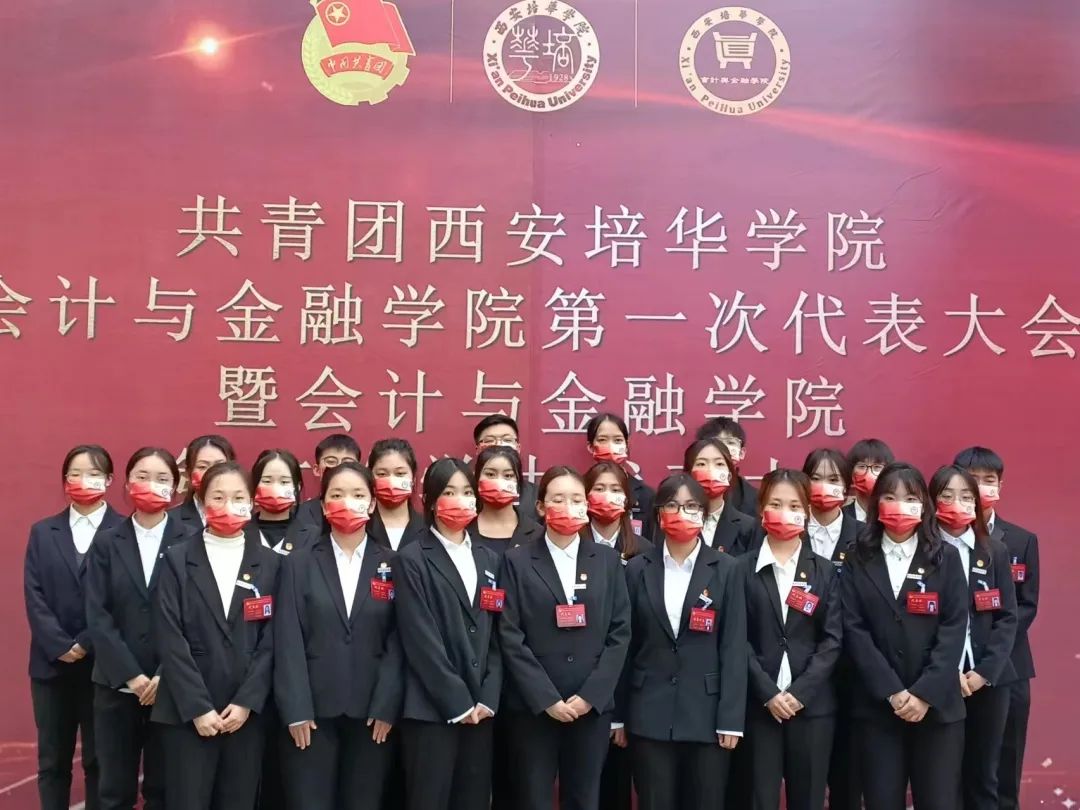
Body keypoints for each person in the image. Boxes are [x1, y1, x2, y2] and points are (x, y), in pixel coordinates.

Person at [498, 466, 631, 810]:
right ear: (541, 507)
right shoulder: (516, 561)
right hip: (534, 709)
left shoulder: (607, 560)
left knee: (584, 798)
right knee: (532, 799)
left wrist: (590, 696)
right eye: (558, 499)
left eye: (576, 499)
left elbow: (620, 632)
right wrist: (545, 699)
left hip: (590, 709)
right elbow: (509, 634)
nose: (568, 507)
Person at [274, 462, 403, 810]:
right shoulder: (298, 564)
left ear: (372, 503)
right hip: (312, 714)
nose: (348, 502)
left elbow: (400, 641)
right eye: (337, 494)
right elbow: (288, 640)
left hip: (372, 714)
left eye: (358, 495)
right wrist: (296, 709)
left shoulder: (394, 563)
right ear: (323, 504)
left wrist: (386, 705)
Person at [153, 462, 280, 810]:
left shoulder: (271, 564)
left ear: (252, 501)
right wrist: (198, 707)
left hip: (245, 715)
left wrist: (247, 702)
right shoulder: (177, 559)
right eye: (218, 497)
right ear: (201, 500)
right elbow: (169, 636)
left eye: (238, 497)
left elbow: (273, 640)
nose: (228, 505)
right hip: (187, 713)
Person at [840, 462, 967, 810]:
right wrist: (893, 692)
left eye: (910, 498)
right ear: (876, 503)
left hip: (937, 708)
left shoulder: (946, 557)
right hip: (878, 708)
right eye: (890, 497)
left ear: (924, 505)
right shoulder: (857, 556)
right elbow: (853, 628)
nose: (900, 506)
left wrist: (924, 693)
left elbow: (954, 627)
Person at [622, 472, 746, 810]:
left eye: (692, 506)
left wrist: (731, 719)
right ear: (659, 513)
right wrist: (619, 715)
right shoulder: (636, 569)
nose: (682, 513)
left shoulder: (727, 569)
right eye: (672, 505)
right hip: (648, 710)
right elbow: (626, 646)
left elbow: (734, 647)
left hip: (707, 714)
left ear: (704, 515)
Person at [86, 447, 194, 810]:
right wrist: (132, 676)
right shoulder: (106, 541)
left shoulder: (191, 540)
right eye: (142, 477)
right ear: (128, 483)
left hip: (173, 686)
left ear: (176, 487)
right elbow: (98, 615)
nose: (151, 485)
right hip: (117, 685)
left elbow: (195, 615)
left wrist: (165, 673)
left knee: (164, 791)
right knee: (114, 791)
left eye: (162, 478)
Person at [394, 459, 501, 810]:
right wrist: (458, 701)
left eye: (467, 492)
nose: (460, 500)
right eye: (450, 492)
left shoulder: (489, 558)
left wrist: (488, 696)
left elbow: (497, 634)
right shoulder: (411, 558)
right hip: (432, 709)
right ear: (430, 499)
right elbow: (420, 638)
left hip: (481, 711)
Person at [24, 444, 124, 810]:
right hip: (51, 667)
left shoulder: (123, 531)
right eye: (75, 474)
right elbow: (34, 594)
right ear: (65, 480)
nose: (84, 480)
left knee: (100, 761)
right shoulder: (42, 531)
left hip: (103, 666)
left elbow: (121, 599)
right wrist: (60, 645)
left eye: (94, 474)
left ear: (109, 480)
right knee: (53, 762)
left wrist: (85, 642)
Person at [743, 469, 842, 810]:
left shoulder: (824, 571)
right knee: (759, 799)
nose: (784, 512)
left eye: (794, 505)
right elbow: (736, 640)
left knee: (809, 799)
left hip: (813, 708)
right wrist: (768, 693)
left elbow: (832, 640)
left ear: (807, 512)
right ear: (761, 508)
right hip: (759, 707)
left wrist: (800, 693)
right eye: (775, 504)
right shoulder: (740, 569)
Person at [953, 446, 1039, 810]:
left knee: (1002, 771)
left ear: (1000, 485)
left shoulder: (1020, 540)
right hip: (952, 672)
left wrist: (988, 657)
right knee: (954, 771)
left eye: (988, 480)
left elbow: (1026, 606)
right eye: (971, 480)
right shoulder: (936, 539)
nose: (979, 487)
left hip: (1008, 670)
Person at [929, 465, 1018, 810]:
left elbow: (1007, 617)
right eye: (947, 495)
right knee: (941, 780)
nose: (958, 503)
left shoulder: (993, 550)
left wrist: (983, 673)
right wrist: (944, 672)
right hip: (939, 682)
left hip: (988, 682)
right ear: (932, 501)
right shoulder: (924, 551)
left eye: (966, 497)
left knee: (984, 777)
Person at [802, 447, 863, 810]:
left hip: (853, 670)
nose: (823, 486)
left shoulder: (866, 536)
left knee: (848, 776)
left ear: (848, 487)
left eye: (833, 479)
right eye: (815, 478)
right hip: (801, 670)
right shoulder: (786, 530)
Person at [582, 461, 643, 810]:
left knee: (618, 788)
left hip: (625, 688)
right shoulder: (569, 546)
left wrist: (620, 712)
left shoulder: (644, 553)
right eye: (599, 488)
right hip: (577, 689)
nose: (607, 496)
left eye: (616, 490)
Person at [583, 413, 656, 537]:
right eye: (602, 440)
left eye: (617, 440)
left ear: (626, 446)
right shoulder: (578, 489)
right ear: (590, 447)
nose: (611, 446)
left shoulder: (646, 495)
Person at [683, 437, 756, 556]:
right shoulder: (675, 521)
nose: (710, 470)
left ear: (729, 476)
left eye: (719, 464)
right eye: (701, 464)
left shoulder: (748, 527)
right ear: (688, 474)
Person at [472, 445, 543, 558]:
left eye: (508, 475)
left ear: (518, 482)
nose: (499, 482)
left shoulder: (538, 534)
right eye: (490, 474)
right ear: (477, 479)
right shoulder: (462, 531)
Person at [474, 415, 539, 520]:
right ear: (477, 450)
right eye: (489, 440)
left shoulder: (536, 495)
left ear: (518, 448)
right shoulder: (466, 493)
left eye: (507, 440)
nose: (499, 445)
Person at [367, 438, 427, 551]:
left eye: (400, 473)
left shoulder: (429, 528)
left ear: (413, 479)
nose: (391, 481)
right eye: (382, 474)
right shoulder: (361, 527)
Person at [293, 434, 362, 530]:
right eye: (331, 462)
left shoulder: (367, 511)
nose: (339, 468)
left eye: (347, 462)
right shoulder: (298, 514)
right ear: (316, 469)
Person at [169, 435, 236, 533]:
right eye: (202, 467)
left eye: (219, 465)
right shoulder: (171, 521)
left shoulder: (245, 517)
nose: (211, 473)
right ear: (189, 472)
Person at [694, 417, 757, 515]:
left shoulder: (755, 498)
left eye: (730, 442)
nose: (723, 447)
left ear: (741, 453)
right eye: (716, 442)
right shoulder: (682, 492)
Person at [251, 449, 303, 556]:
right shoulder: (240, 533)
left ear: (297, 488)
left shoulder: (313, 537)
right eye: (267, 481)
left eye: (284, 482)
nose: (275, 488)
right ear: (254, 486)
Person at [843, 439, 894, 523]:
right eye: (862, 466)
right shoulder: (840, 517)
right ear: (851, 472)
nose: (869, 473)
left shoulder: (894, 517)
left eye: (877, 467)